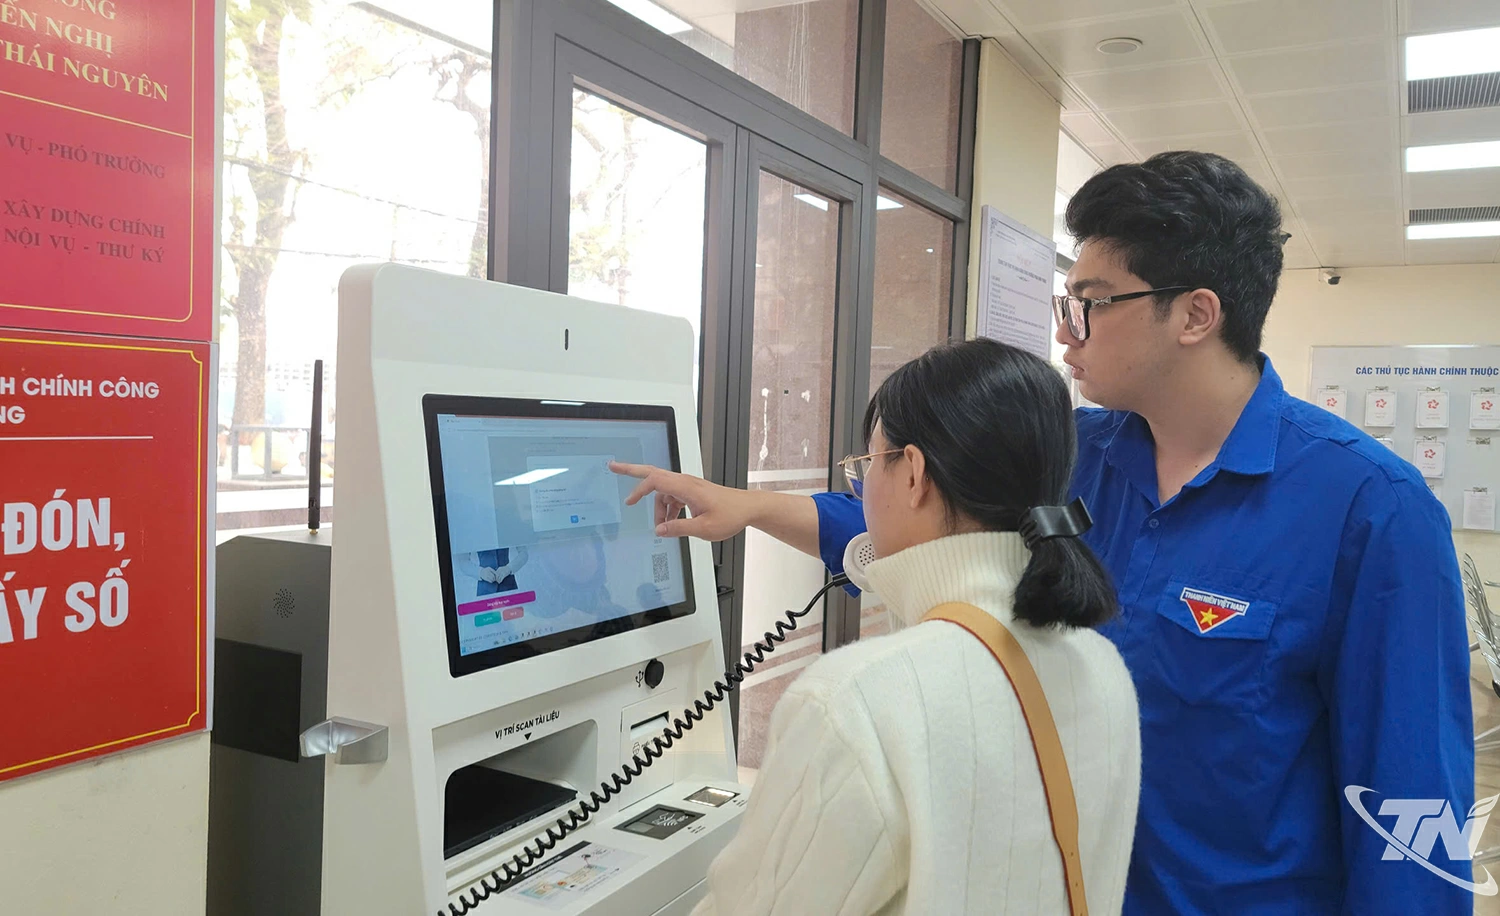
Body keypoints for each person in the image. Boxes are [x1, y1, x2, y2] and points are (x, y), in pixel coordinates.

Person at [616, 152, 1475, 913]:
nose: (1068, 334)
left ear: (1196, 314)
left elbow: (1410, 804)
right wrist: (750, 507)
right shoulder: (1084, 452)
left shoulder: (1370, 509)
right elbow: (934, 528)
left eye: (1093, 304)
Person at [662, 339, 1139, 915]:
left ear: (912, 473)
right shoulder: (1101, 666)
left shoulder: (857, 701)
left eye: (867, 467)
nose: (861, 494)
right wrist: (753, 507)